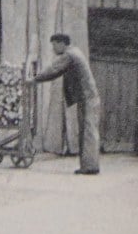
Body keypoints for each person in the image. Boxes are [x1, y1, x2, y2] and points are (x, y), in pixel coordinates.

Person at [28, 33, 101, 175]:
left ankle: (90, 166)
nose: (53, 49)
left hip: (88, 98)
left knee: (88, 132)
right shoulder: (74, 52)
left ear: (61, 43)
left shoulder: (70, 55)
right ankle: (89, 165)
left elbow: (54, 70)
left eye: (54, 45)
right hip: (88, 97)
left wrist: (35, 79)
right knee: (88, 131)